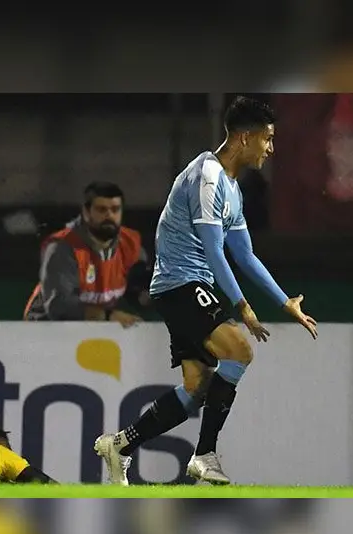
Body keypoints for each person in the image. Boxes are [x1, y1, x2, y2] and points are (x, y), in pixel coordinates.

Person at [94, 96, 318, 486]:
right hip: (181, 282)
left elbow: (244, 256)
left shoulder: (233, 189)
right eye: (267, 139)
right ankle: (204, 456)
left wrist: (285, 303)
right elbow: (214, 250)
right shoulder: (208, 176)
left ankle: (120, 445)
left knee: (196, 388)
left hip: (188, 285)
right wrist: (242, 306)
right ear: (245, 138)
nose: (271, 148)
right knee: (240, 351)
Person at [23, 181, 150, 327]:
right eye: (101, 210)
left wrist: (148, 296)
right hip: (45, 331)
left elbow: (137, 290)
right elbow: (59, 306)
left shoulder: (130, 245)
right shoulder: (63, 248)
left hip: (94, 329)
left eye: (115, 209)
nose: (109, 215)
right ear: (86, 212)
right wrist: (109, 316)